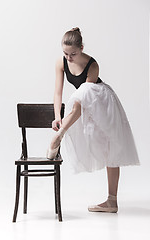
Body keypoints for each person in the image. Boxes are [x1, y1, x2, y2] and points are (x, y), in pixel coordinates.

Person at [46, 27, 140, 213]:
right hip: (82, 103)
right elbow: (58, 92)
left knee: (112, 147)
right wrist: (57, 117)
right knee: (102, 144)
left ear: (81, 48)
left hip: (102, 101)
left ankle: (112, 201)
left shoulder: (92, 65)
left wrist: (61, 130)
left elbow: (84, 100)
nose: (69, 58)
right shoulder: (61, 62)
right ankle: (111, 202)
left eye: (73, 53)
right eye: (65, 53)